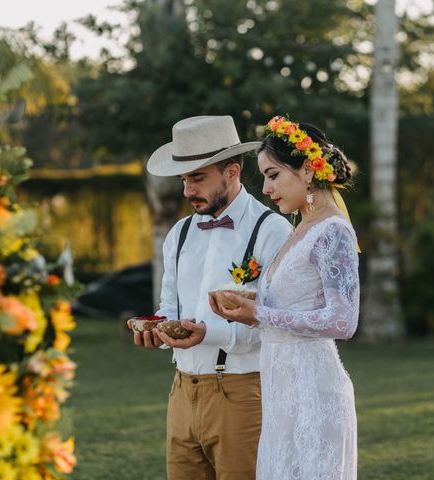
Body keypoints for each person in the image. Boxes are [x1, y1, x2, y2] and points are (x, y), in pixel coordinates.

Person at [129, 115, 292, 480]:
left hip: (242, 393)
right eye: (184, 179)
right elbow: (169, 305)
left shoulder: (272, 231)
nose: (188, 191)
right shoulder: (179, 234)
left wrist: (208, 332)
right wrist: (157, 328)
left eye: (197, 177)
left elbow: (276, 322)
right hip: (182, 390)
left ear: (232, 171)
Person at [211, 115, 360, 480]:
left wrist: (260, 314)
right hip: (280, 394)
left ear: (308, 170)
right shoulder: (299, 228)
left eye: (273, 175)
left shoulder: (332, 232)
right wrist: (246, 308)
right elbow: (286, 308)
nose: (265, 188)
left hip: (315, 395)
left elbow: (343, 321)